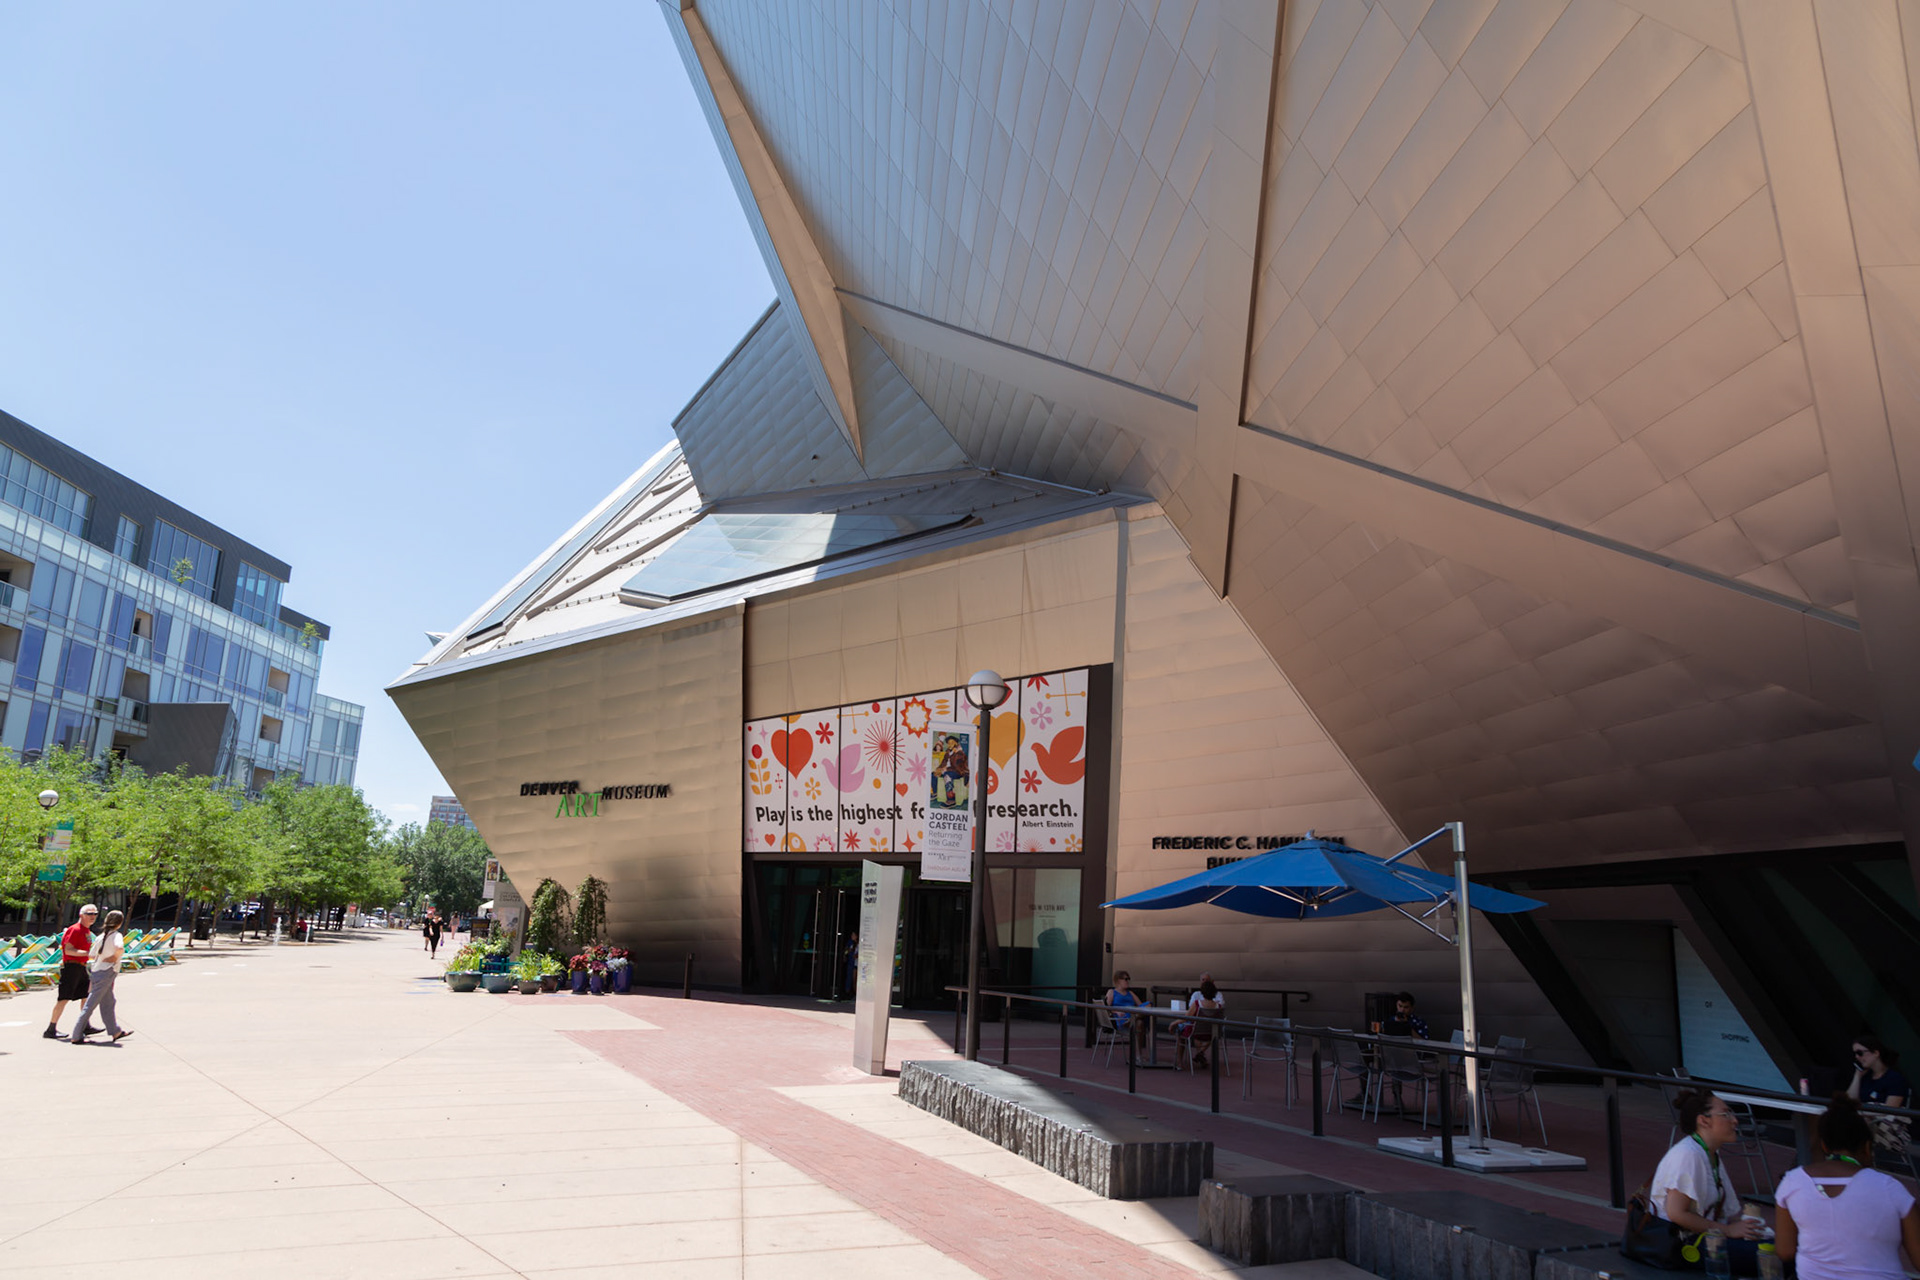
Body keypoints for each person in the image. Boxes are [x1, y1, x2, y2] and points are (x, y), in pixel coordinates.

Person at [1774, 1092, 1920, 1280]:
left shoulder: (1792, 1182)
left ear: (1824, 1146)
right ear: (1867, 1147)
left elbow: (1785, 1251)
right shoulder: (1890, 1188)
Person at [1649, 1090, 1763, 1270]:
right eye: (1726, 1114)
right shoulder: (1688, 1155)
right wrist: (1728, 1230)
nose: (1734, 1120)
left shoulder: (1709, 1152)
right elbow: (1676, 1213)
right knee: (1773, 1255)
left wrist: (1739, 1229)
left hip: (1704, 1237)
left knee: (1774, 1246)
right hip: (1684, 1245)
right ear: (1703, 1121)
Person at [70, 910, 133, 1044]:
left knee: (109, 1002)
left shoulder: (101, 936)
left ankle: (115, 1031)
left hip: (97, 970)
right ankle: (76, 1034)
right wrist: (114, 957)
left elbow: (92, 955)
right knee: (91, 1003)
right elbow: (120, 948)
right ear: (119, 923)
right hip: (107, 971)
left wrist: (104, 956)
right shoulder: (116, 935)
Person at [43, 904, 98, 1040]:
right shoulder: (75, 930)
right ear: (81, 915)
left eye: (95, 914)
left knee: (86, 996)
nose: (92, 916)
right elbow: (68, 950)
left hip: (81, 967)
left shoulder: (86, 931)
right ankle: (51, 1029)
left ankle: (85, 1025)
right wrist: (89, 954)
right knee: (64, 998)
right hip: (71, 967)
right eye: (89, 913)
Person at [1848, 1034, 1910, 1109]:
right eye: (1855, 1054)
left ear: (1875, 1053)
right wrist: (1857, 1076)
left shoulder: (1895, 1079)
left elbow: (1890, 1110)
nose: (1857, 1057)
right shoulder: (1865, 1076)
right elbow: (1849, 1102)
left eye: (1860, 1053)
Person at [1178, 974, 1226, 1069]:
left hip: (1197, 1030)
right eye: (1203, 980)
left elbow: (1188, 1014)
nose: (1204, 982)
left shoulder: (1197, 1003)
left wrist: (1174, 1023)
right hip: (1213, 1031)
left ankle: (1180, 1062)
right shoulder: (1217, 1005)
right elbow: (1221, 1007)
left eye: (1206, 980)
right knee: (1208, 1031)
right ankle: (1200, 1055)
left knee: (1182, 1032)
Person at [1105, 970, 1147, 1050]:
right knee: (1139, 1023)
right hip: (1121, 1019)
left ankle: (1138, 1055)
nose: (1128, 981)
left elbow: (1141, 1006)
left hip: (1132, 1015)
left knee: (1147, 1007)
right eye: (1125, 979)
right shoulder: (1112, 992)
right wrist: (1116, 1011)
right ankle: (1138, 1054)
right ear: (1118, 980)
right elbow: (1106, 1009)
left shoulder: (1130, 993)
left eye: (1128, 979)